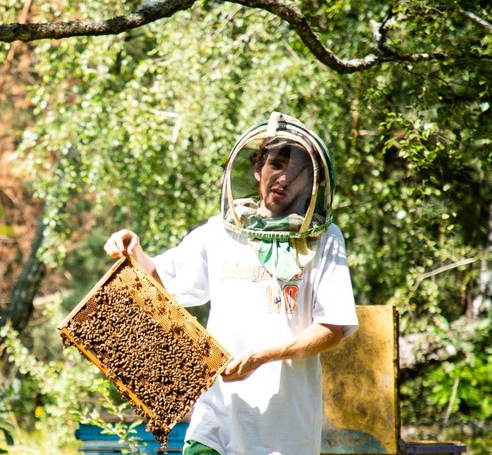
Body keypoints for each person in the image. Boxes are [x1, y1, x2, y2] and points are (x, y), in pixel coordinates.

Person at [104, 112, 358, 455]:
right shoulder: (219, 232)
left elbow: (332, 328)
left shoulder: (325, 239)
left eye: (297, 170)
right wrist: (131, 248)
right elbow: (160, 282)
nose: (284, 177)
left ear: (312, 182)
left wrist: (262, 356)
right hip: (215, 421)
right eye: (276, 164)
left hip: (284, 434)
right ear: (257, 168)